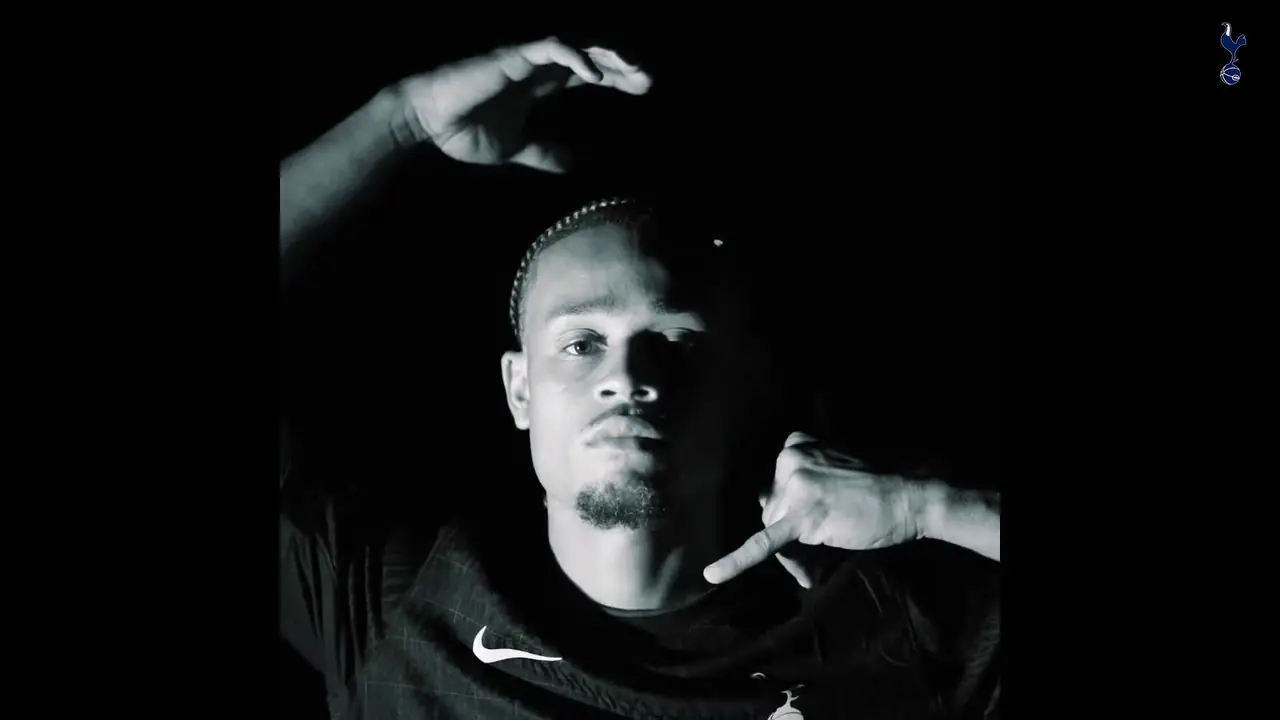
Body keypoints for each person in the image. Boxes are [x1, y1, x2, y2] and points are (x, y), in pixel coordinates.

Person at [280, 37, 1001, 720]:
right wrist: (400, 118)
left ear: (740, 388)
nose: (626, 377)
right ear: (520, 389)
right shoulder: (404, 593)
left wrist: (929, 509)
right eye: (581, 343)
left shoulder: (889, 623)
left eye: (674, 342)